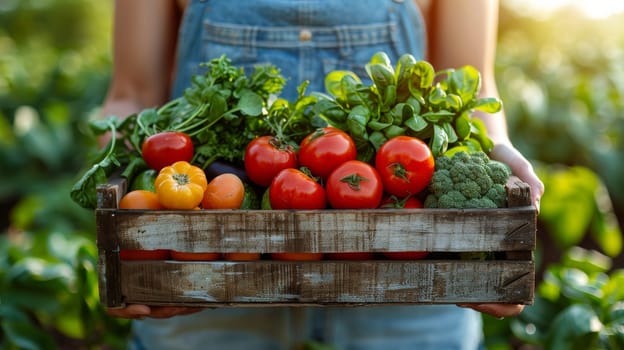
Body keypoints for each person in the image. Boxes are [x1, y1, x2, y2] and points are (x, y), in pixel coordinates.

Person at [102, 0, 545, 349]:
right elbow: (132, 93)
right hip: (207, 279)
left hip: (408, 279)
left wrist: (496, 150)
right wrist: (113, 176)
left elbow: (473, 84)